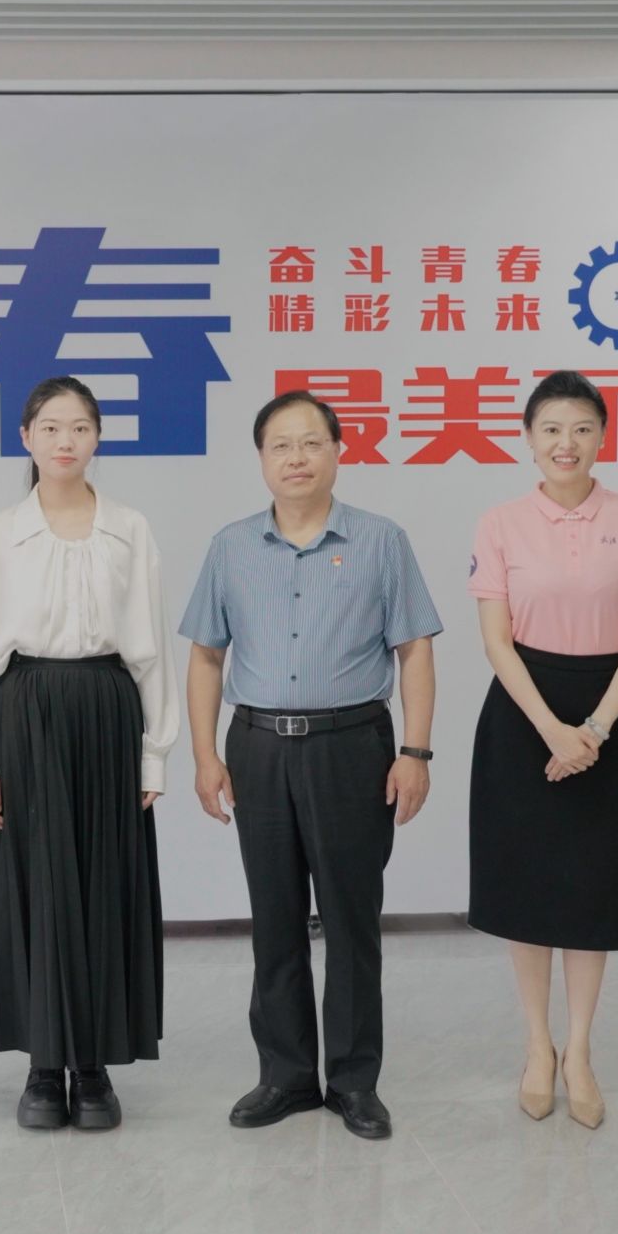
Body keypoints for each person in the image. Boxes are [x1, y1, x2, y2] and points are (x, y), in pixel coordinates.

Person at [182, 390, 441, 1140]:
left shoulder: (381, 541)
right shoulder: (231, 547)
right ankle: (285, 1075)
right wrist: (204, 755)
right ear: (262, 458)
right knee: (274, 917)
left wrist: (415, 752)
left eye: (310, 443)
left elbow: (415, 650)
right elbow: (206, 656)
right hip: (258, 747)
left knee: (352, 918)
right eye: (280, 445)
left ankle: (354, 1080)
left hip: (352, 747)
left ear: (337, 450)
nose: (296, 458)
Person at [0, 377, 176, 1131]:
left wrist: (154, 754)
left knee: (104, 884)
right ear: (27, 438)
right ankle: (44, 1066)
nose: (65, 440)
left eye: (79, 427)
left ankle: (95, 1065)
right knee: (35, 885)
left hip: (107, 710)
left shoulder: (129, 529)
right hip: (25, 710)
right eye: (50, 427)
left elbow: (151, 646)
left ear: (97, 437)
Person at [465, 371, 618, 1130]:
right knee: (527, 886)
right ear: (529, 438)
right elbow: (496, 642)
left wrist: (593, 730)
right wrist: (554, 731)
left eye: (583, 428)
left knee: (595, 886)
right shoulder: (500, 523)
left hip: (612, 711)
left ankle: (581, 1050)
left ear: (603, 437)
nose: (567, 443)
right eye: (552, 429)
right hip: (523, 712)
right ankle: (537, 1046)